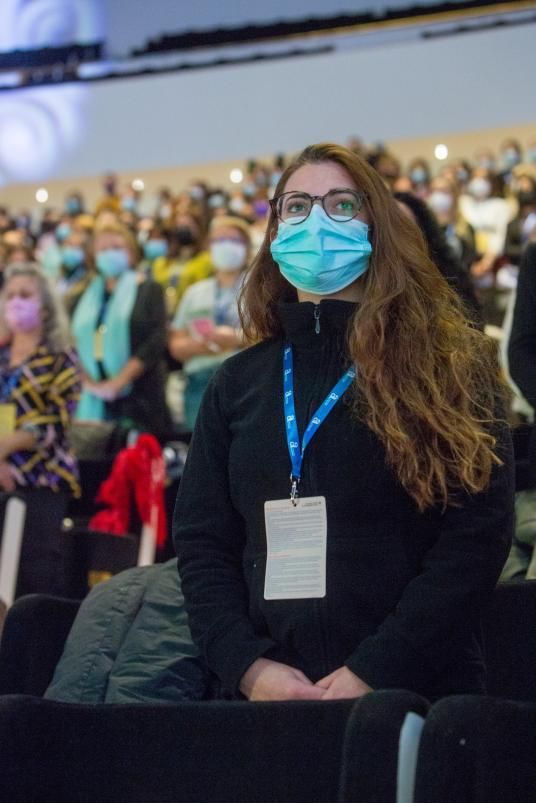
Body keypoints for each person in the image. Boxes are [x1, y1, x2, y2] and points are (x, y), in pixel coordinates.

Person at [174, 143, 514, 704]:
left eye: (340, 205)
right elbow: (202, 541)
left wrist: (376, 670)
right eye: (298, 206)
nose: (317, 221)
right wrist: (247, 667)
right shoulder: (237, 382)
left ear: (375, 226)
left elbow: (475, 539)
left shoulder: (448, 365)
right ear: (276, 230)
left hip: (412, 692)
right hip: (265, 700)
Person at [0, 262, 81, 597]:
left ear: (45, 306)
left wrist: (3, 448)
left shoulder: (61, 358)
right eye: (11, 295)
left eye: (25, 295)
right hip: (2, 474)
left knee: (32, 580)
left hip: (42, 479)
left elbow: (55, 420)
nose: (16, 302)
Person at [71, 221, 172, 441]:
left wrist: (118, 383)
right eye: (103, 249)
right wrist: (91, 383)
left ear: (131, 252)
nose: (110, 254)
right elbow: (72, 343)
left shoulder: (148, 289)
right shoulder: (82, 297)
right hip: (93, 396)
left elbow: (155, 340)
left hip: (140, 397)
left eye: (116, 247)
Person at [168, 216, 249, 430]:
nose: (226, 246)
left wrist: (236, 338)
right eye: (219, 241)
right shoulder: (195, 292)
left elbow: (273, 332)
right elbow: (176, 344)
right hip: (200, 382)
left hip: (248, 378)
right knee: (202, 453)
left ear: (247, 248)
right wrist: (202, 345)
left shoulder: (259, 289)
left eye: (234, 241)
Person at [152, 209, 212, 318]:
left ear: (198, 229)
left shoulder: (207, 260)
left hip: (192, 315)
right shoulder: (161, 262)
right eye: (180, 226)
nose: (183, 229)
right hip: (163, 315)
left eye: (188, 226)